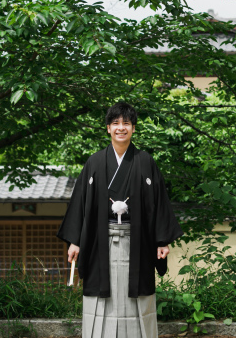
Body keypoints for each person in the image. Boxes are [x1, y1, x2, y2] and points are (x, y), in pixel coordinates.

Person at [57, 101, 183, 338]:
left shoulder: (145, 161)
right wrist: (75, 241)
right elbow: (80, 204)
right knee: (100, 297)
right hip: (99, 243)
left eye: (126, 123)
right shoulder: (94, 162)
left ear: (133, 128)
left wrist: (162, 241)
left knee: (137, 296)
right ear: (108, 128)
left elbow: (159, 202)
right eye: (115, 123)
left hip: (137, 241)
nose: (121, 128)